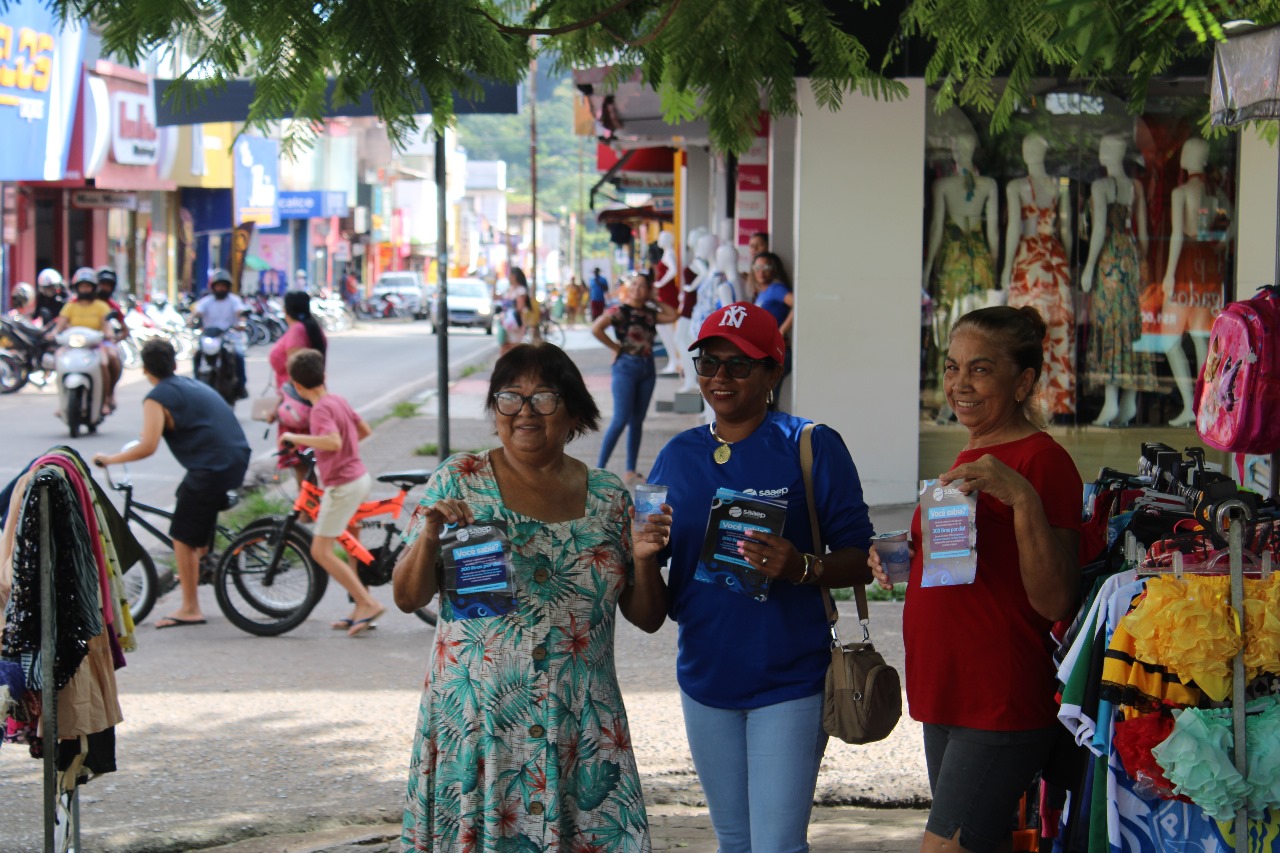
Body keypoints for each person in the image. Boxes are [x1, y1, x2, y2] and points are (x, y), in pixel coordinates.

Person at [391, 341, 665, 852]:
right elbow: (408, 597)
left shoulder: (609, 497)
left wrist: (645, 559)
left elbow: (648, 618)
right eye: (509, 398)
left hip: (581, 724)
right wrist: (428, 536)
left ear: (574, 411)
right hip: (481, 720)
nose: (524, 412)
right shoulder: (460, 478)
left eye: (544, 397)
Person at [644, 302, 874, 853]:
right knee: (735, 841)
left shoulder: (812, 445)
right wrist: (639, 555)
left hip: (789, 680)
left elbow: (857, 555)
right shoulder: (677, 456)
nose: (720, 378)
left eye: (739, 365)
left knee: (776, 845)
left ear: (774, 372)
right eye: (708, 362)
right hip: (705, 679)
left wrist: (801, 566)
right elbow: (649, 601)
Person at [869, 306, 1081, 853]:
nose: (960, 384)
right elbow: (974, 565)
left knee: (946, 847)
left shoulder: (1042, 460)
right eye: (952, 366)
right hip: (945, 685)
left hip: (998, 694)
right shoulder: (971, 450)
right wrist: (906, 556)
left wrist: (1022, 499)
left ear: (1024, 382)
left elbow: (1056, 596)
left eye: (981, 370)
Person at [92, 339, 250, 629]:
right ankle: (201, 561)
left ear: (144, 368)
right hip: (234, 459)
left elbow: (148, 446)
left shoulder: (157, 397)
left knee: (180, 535)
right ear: (174, 364)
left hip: (212, 467)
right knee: (186, 498)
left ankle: (190, 607)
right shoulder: (191, 385)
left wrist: (110, 459)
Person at [278, 349, 385, 637]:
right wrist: (341, 453)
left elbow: (333, 441)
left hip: (343, 486)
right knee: (353, 550)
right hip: (359, 476)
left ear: (297, 386)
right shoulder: (337, 400)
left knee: (320, 551)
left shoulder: (320, 409)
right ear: (324, 376)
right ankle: (360, 611)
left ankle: (367, 602)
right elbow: (362, 430)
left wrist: (293, 437)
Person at [1081, 134, 1156, 426]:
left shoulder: (1101, 186)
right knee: (1129, 326)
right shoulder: (1135, 187)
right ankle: (1128, 401)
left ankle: (1112, 402)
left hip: (1110, 260)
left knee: (1110, 324)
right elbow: (1145, 235)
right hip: (1130, 257)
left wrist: (1088, 268)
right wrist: (1139, 263)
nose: (1099, 151)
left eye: (1103, 147)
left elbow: (1099, 230)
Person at [592, 271, 678, 486]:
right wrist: (615, 347)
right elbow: (596, 328)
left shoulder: (650, 313)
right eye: (635, 285)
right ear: (628, 288)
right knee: (620, 419)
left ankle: (630, 470)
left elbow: (673, 315)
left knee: (637, 421)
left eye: (643, 286)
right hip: (626, 366)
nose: (638, 289)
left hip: (647, 368)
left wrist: (654, 299)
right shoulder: (620, 311)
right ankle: (598, 469)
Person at [268, 291, 329, 479]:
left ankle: (307, 508)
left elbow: (297, 371)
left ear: (286, 309)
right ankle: (310, 506)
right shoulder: (311, 327)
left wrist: (278, 405)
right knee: (306, 460)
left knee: (300, 461)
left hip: (296, 403)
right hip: (307, 399)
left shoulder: (296, 331)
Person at [46, 268, 119, 415]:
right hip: (73, 346)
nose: (85, 289)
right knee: (58, 359)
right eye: (82, 286)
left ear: (93, 288)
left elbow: (106, 326)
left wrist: (108, 334)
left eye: (88, 286)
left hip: (95, 345)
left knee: (105, 361)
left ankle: (106, 399)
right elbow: (60, 326)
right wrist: (53, 334)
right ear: (77, 288)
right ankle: (63, 402)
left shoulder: (101, 306)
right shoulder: (70, 306)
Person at [191, 268, 250, 398]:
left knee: (239, 355)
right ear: (213, 287)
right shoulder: (206, 301)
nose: (221, 288)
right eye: (218, 286)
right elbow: (197, 312)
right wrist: (191, 319)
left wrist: (241, 322)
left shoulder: (234, 300)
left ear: (227, 287)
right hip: (210, 337)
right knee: (197, 354)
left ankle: (241, 385)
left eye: (223, 286)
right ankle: (196, 382)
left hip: (229, 336)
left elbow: (240, 312)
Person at [499, 266, 532, 354]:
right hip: (506, 322)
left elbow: (520, 307)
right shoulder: (508, 289)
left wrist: (509, 314)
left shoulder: (520, 290)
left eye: (510, 275)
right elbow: (497, 297)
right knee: (504, 346)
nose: (508, 277)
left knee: (513, 347)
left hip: (515, 323)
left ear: (514, 276)